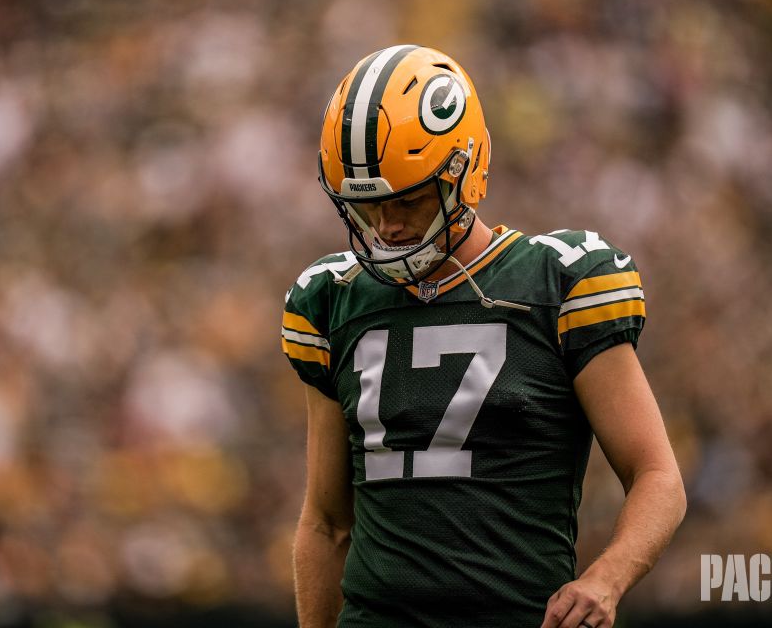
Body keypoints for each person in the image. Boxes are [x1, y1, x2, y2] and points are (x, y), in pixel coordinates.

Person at [283, 45, 686, 628]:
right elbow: (326, 522)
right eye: (370, 208)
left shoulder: (557, 282)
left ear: (463, 170)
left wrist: (605, 578)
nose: (389, 226)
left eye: (409, 201)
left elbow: (657, 476)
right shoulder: (333, 301)